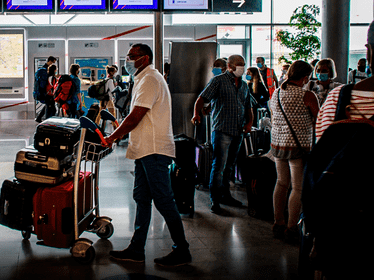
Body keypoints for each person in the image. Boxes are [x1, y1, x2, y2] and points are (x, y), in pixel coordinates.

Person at [105, 43, 191, 267]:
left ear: (144, 58)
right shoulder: (143, 78)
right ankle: (136, 249)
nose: (128, 61)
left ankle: (182, 250)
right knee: (142, 199)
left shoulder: (150, 79)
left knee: (164, 201)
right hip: (144, 150)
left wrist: (111, 137)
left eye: (132, 56)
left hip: (154, 150)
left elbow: (135, 117)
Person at [192, 54, 253, 214]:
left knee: (230, 166)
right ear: (230, 66)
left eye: (243, 64)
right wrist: (196, 114)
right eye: (238, 64)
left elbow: (248, 106)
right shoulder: (218, 81)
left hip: (238, 130)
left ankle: (226, 195)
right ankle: (215, 201)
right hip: (222, 130)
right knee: (219, 166)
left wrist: (249, 122)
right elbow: (202, 98)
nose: (241, 67)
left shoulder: (244, 85)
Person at [268, 61, 319, 243]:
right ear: (305, 78)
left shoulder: (277, 92)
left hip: (277, 144)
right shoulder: (307, 95)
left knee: (281, 183)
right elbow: (318, 119)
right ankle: (291, 227)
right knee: (297, 187)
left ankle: (277, 223)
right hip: (298, 146)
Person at [316, 22, 374, 141]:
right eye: (319, 70)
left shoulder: (338, 98)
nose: (321, 73)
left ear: (369, 52)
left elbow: (325, 152)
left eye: (324, 70)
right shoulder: (311, 87)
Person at [34, 56, 57, 121]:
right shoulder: (45, 71)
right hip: (46, 93)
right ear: (50, 61)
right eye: (53, 62)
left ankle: (39, 118)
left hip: (43, 92)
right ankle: (47, 121)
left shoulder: (42, 70)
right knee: (50, 107)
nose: (53, 64)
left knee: (48, 106)